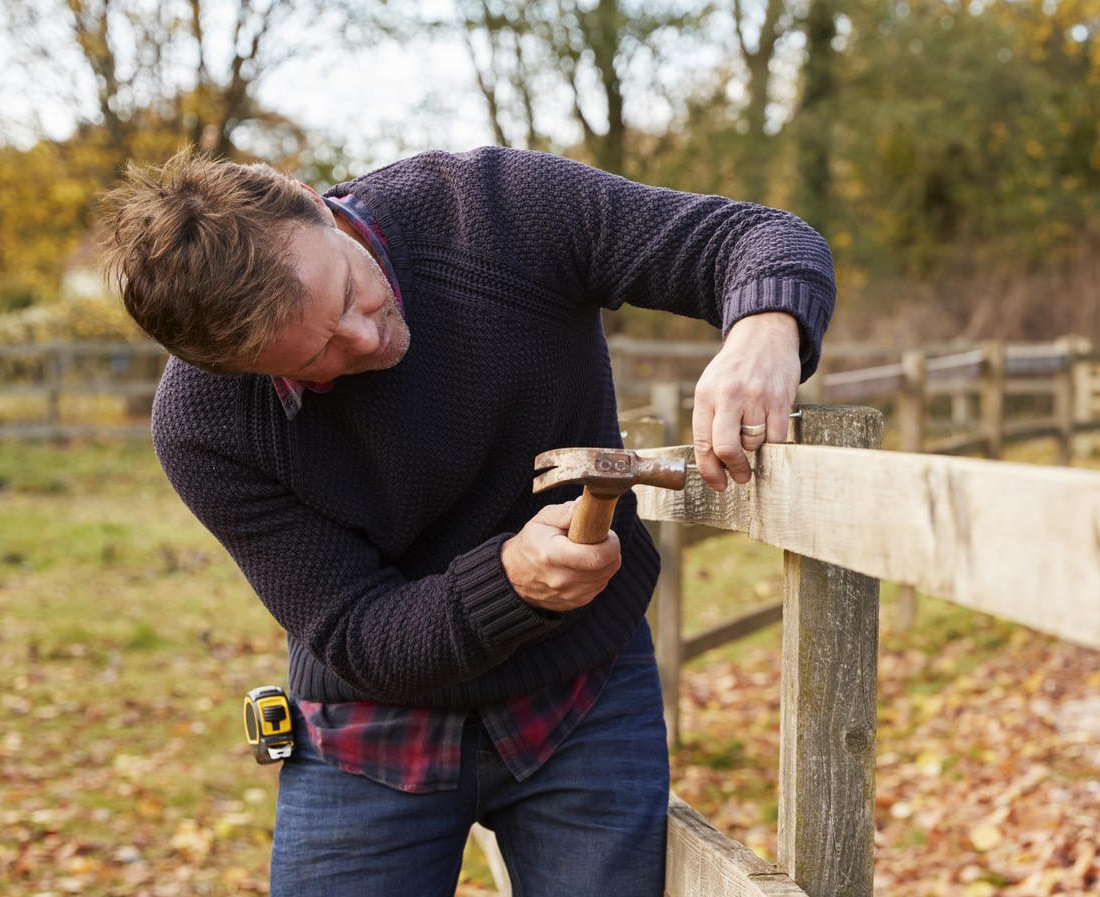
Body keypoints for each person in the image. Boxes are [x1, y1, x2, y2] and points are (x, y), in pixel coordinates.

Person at [99, 146, 834, 896]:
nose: (365, 339)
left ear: (309, 200)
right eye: (316, 355)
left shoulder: (499, 207)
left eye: (350, 292)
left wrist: (763, 331)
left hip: (582, 692)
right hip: (368, 728)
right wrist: (510, 580)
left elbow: (760, 238)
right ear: (234, 368)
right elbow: (356, 630)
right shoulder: (202, 425)